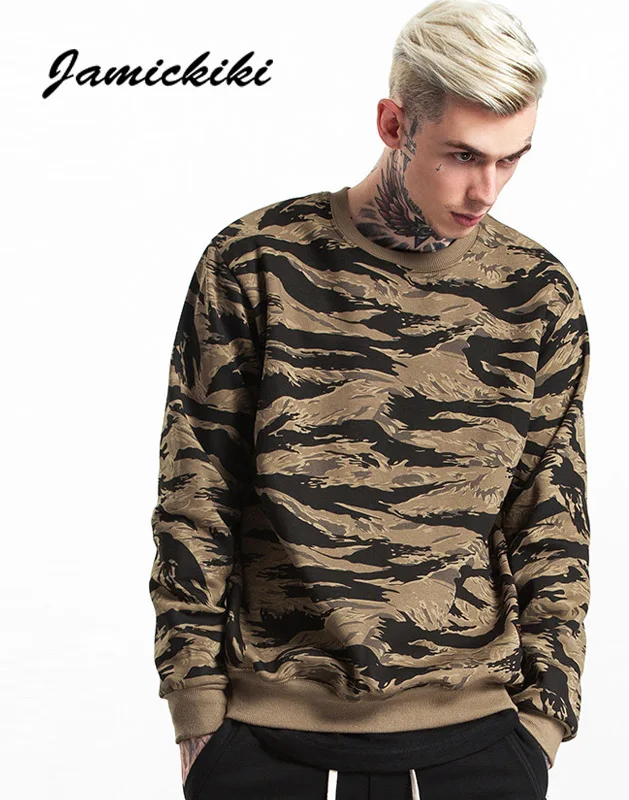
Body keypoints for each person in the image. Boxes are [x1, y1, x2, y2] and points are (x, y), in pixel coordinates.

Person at [149, 1, 591, 798]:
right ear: (394, 125)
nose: (486, 189)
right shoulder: (255, 264)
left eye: (511, 159)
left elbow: (551, 518)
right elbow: (196, 494)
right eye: (463, 155)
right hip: (267, 734)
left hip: (479, 737)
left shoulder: (536, 294)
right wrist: (196, 708)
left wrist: (545, 723)